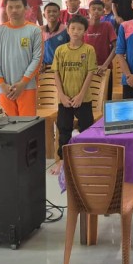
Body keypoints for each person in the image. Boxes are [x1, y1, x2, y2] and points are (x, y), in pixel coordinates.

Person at [51, 15, 97, 175]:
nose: (76, 31)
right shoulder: (60, 50)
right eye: (73, 28)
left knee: (87, 128)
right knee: (64, 129)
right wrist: (62, 96)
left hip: (83, 99)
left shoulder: (89, 50)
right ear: (68, 29)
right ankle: (63, 161)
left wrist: (80, 95)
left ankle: (86, 159)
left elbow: (90, 74)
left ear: (85, 31)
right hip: (64, 99)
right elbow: (56, 74)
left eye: (79, 28)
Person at [0, 0, 43, 116]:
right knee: (8, 127)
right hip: (5, 88)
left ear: (26, 9)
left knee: (27, 127)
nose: (14, 10)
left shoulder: (34, 30)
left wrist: (23, 83)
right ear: (6, 10)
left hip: (27, 87)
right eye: (10, 7)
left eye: (18, 7)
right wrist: (2, 83)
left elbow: (37, 58)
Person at [85, 0, 118, 100]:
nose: (96, 11)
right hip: (86, 69)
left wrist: (105, 65)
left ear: (103, 12)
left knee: (105, 99)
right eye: (93, 9)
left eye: (99, 9)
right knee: (88, 98)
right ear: (88, 11)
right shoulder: (83, 26)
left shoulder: (107, 25)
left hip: (104, 70)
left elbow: (116, 46)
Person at [41, 2, 69, 68]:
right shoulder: (39, 30)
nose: (52, 14)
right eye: (49, 11)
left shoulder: (66, 29)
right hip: (45, 68)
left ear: (59, 14)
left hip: (62, 67)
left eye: (54, 11)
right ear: (44, 15)